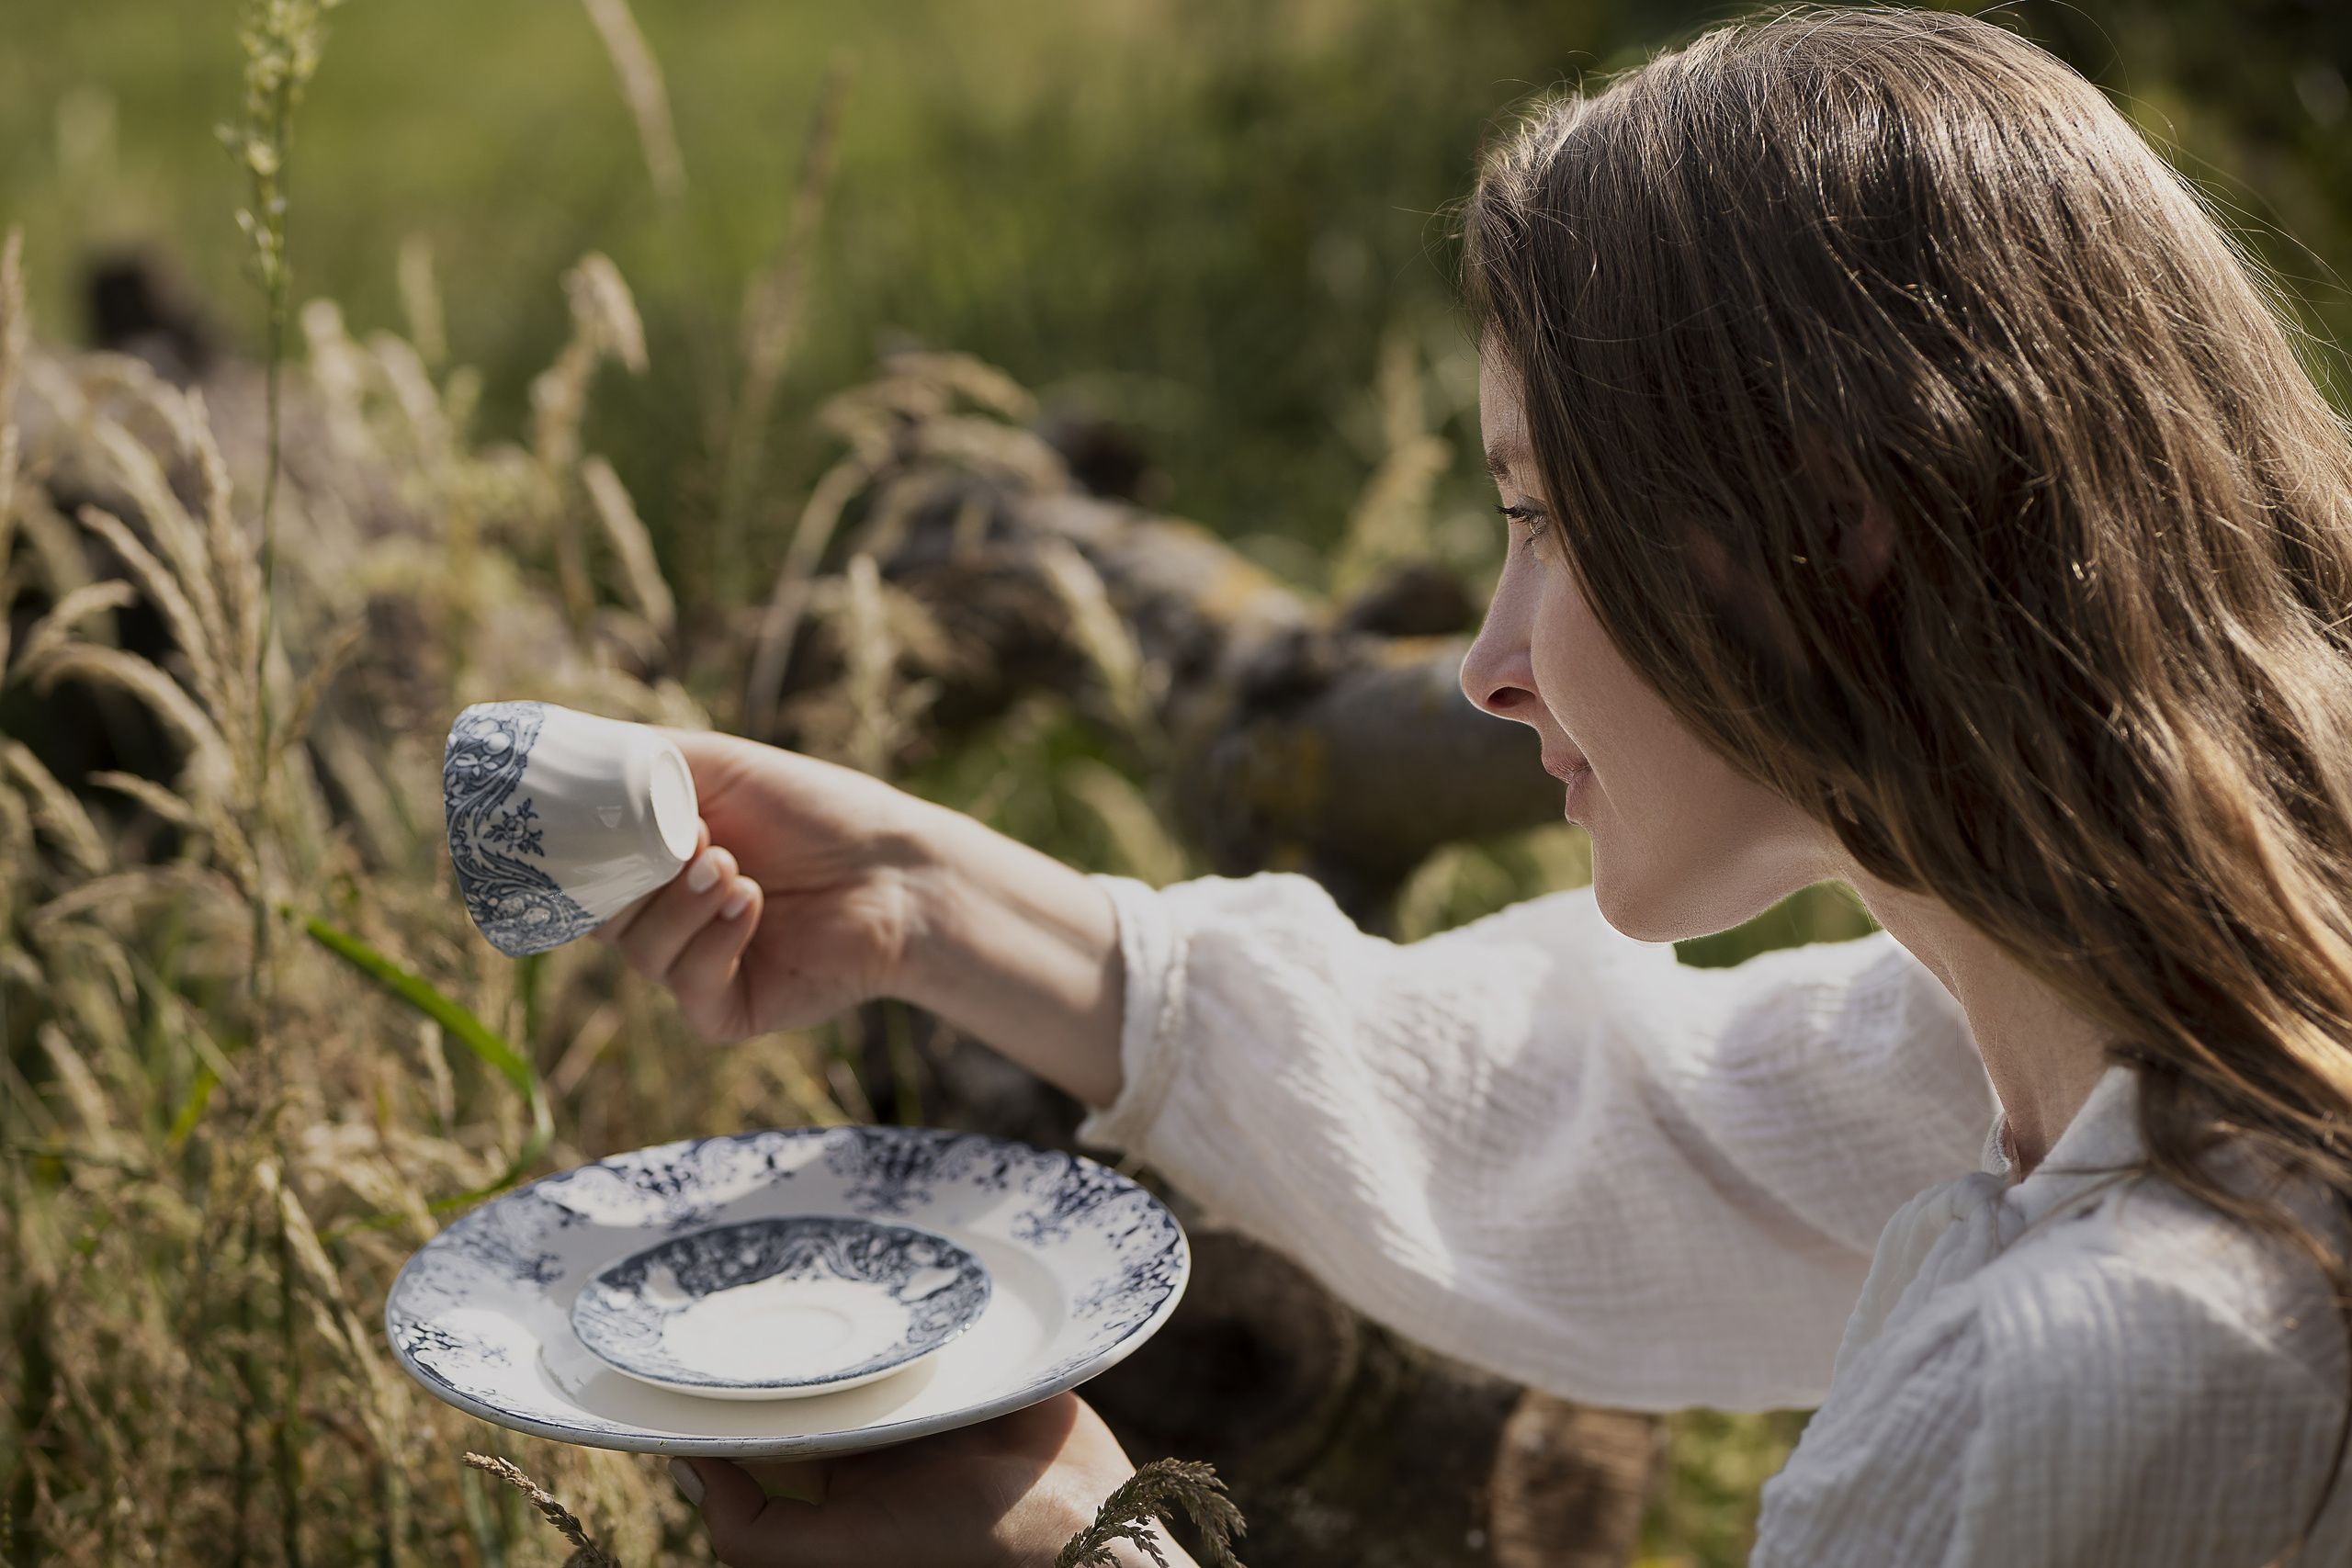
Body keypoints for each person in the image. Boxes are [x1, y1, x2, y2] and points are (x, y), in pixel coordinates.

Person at [605, 8, 2352, 1564]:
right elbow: (1644, 1126)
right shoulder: (2152, 1014)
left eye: (1538, 518)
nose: (1485, 660)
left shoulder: (2119, 1373)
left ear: (1830, 525)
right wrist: (934, 899)